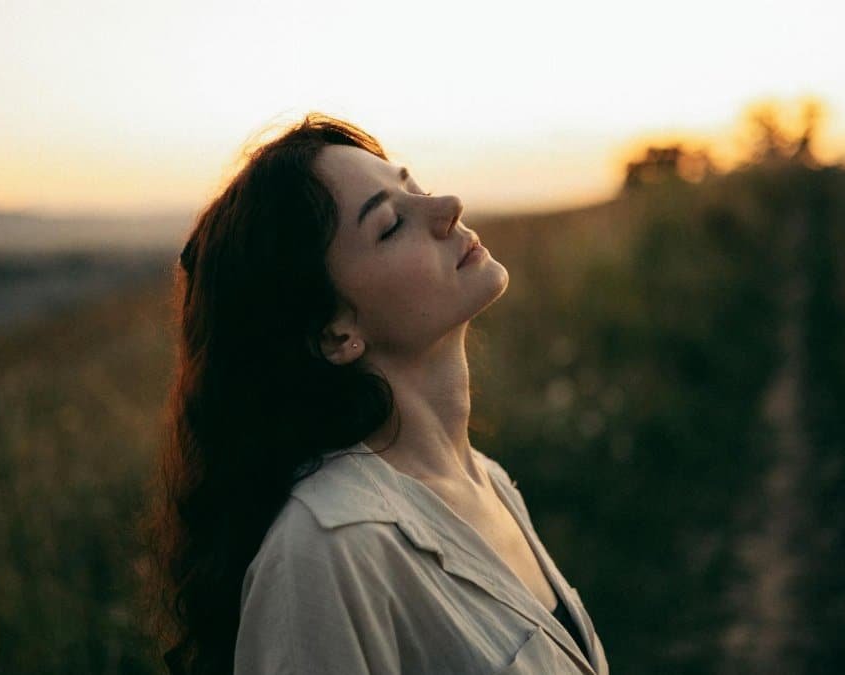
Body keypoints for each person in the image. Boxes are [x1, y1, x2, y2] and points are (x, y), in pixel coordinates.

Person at [140, 113, 608, 675]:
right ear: (336, 334)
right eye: (390, 224)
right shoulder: (328, 549)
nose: (449, 205)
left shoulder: (486, 479)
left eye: (416, 189)